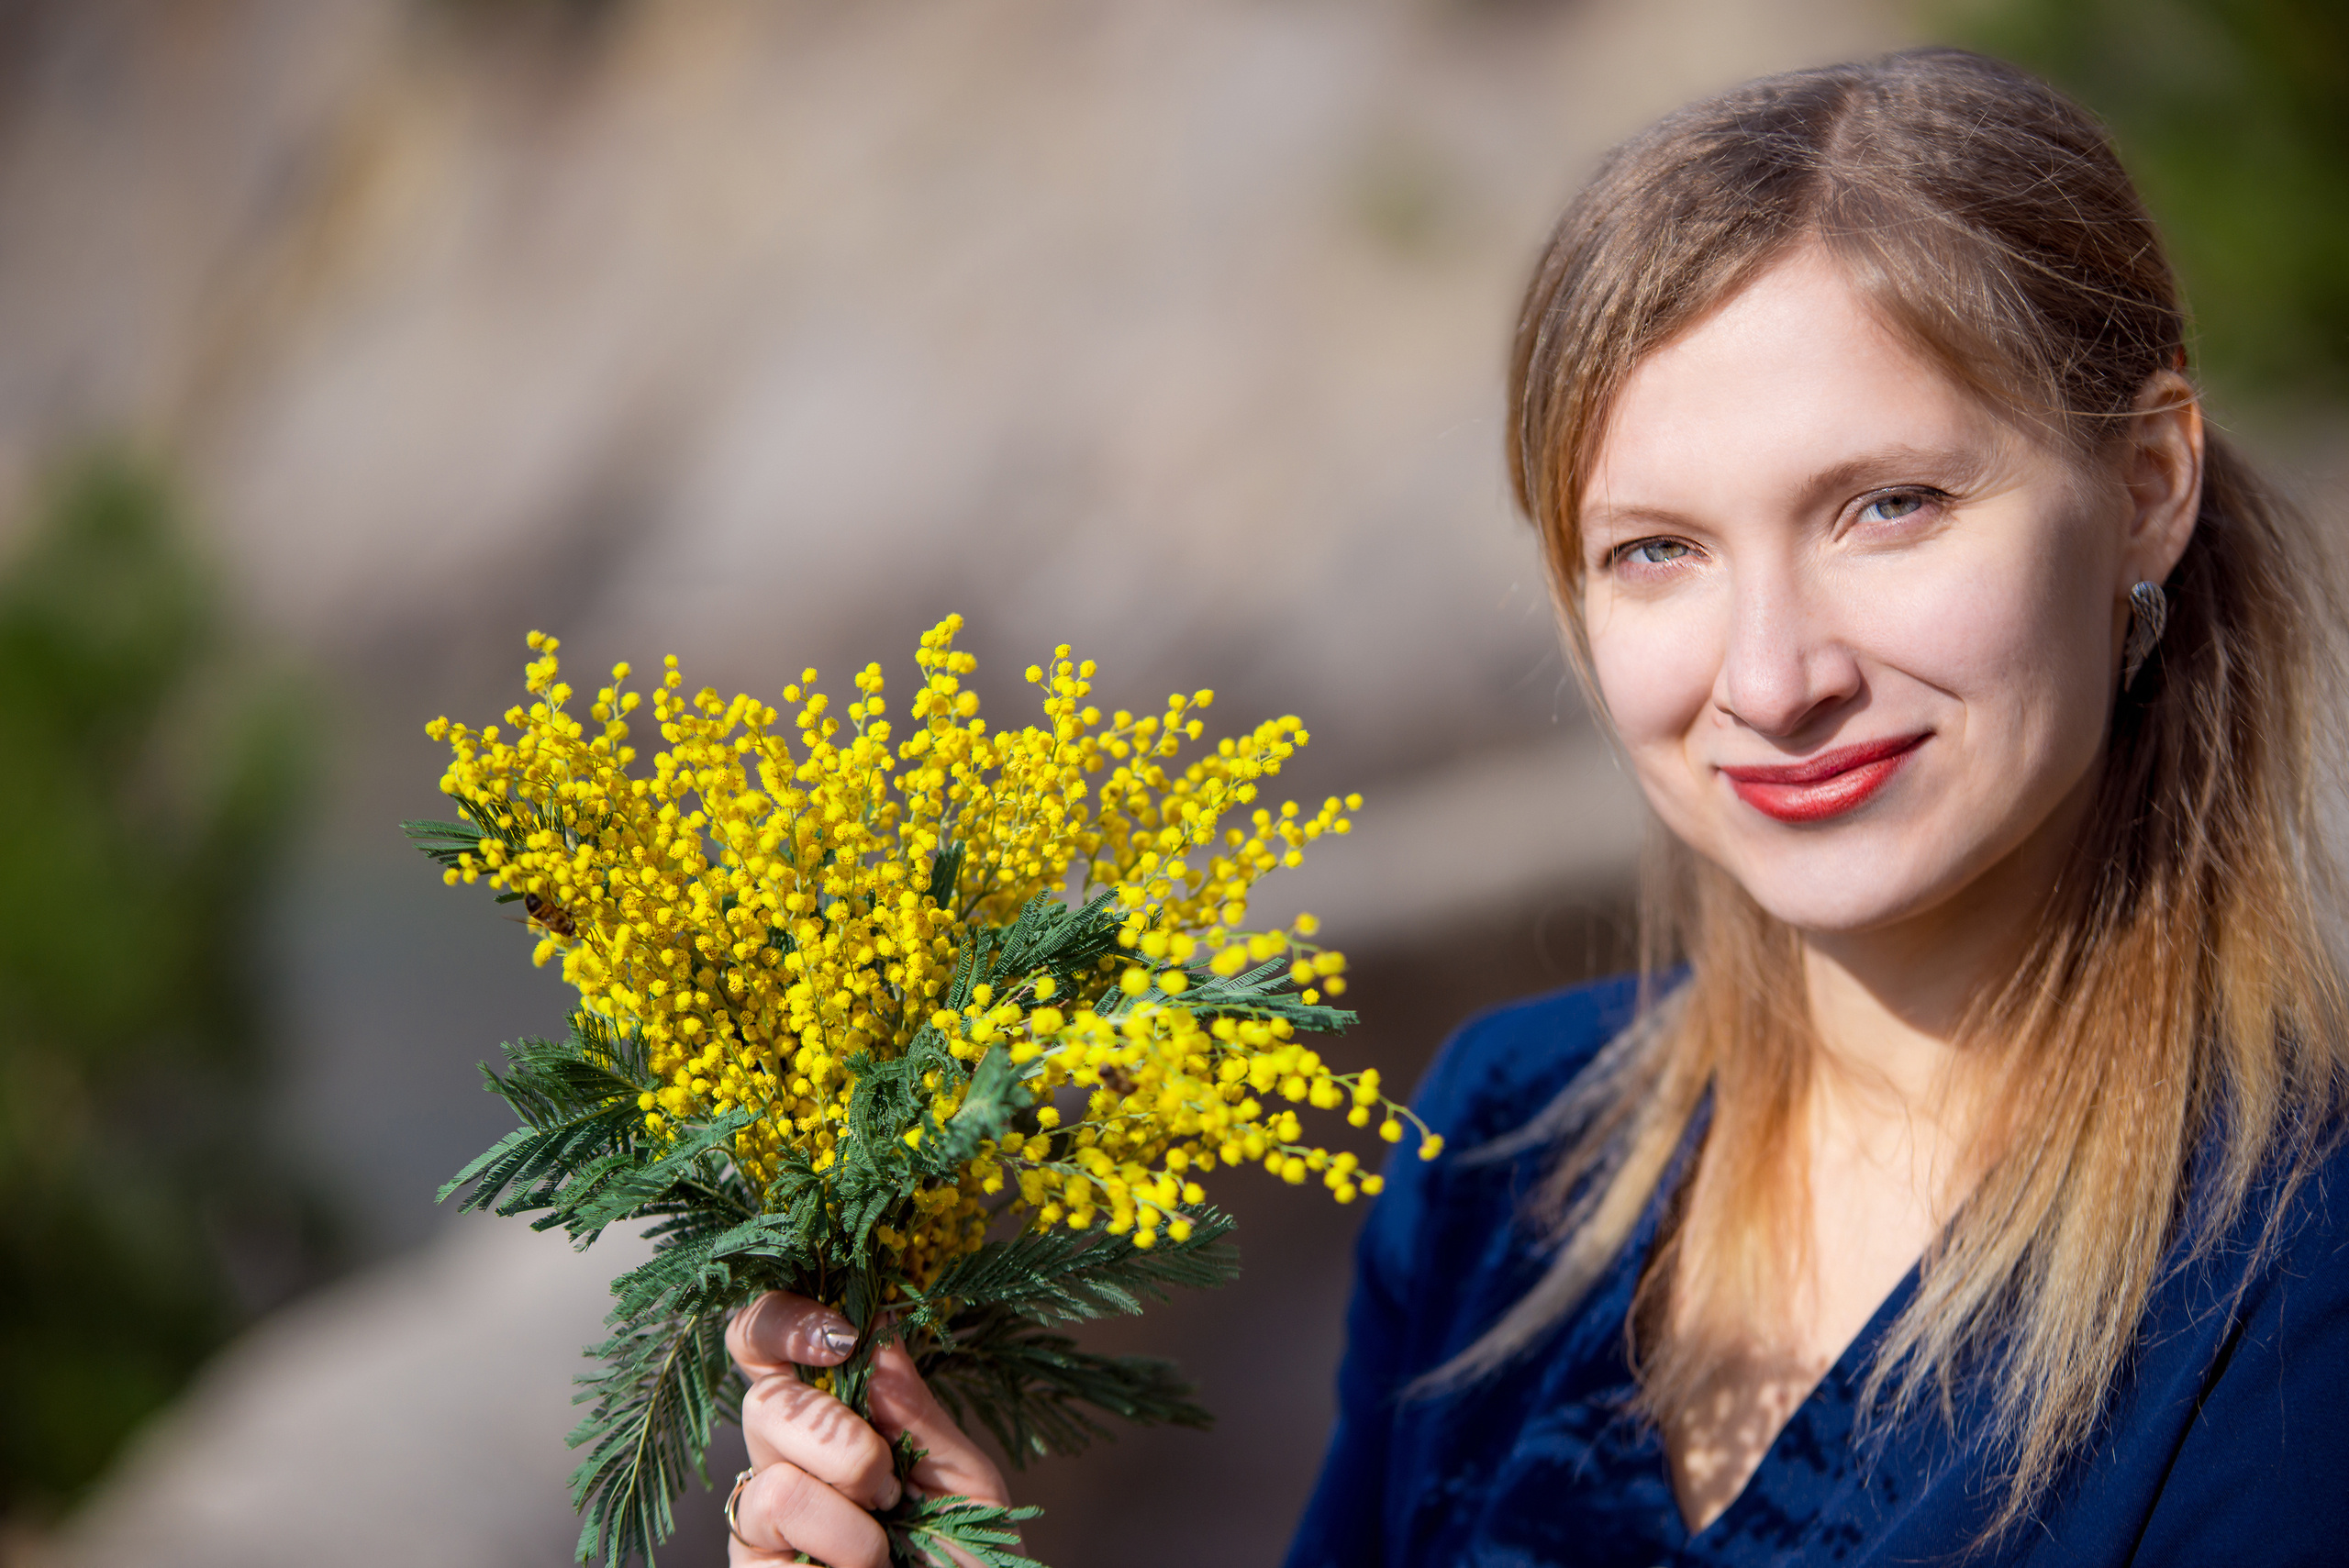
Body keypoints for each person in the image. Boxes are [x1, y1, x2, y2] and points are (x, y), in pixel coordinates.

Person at [716, 46, 2349, 1567]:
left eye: (1888, 506)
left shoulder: (2299, 1264)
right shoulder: (1506, 1139)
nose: (1773, 679)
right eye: (1658, 550)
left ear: (2148, 486)